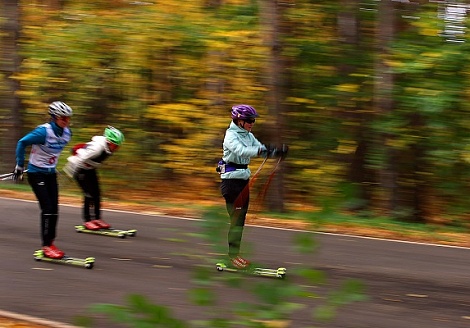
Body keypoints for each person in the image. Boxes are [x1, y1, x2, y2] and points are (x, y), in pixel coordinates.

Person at [218, 104, 286, 269]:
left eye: (253, 120)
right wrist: (262, 151)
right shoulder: (231, 136)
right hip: (231, 182)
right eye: (249, 120)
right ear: (238, 120)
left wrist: (275, 151)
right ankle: (232, 257)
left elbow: (259, 148)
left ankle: (235, 255)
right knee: (236, 220)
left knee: (240, 221)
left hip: (243, 181)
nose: (252, 123)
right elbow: (242, 151)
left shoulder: (248, 135)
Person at [14, 101, 73, 259]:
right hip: (36, 174)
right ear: (54, 117)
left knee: (54, 209)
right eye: (63, 118)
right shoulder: (43, 132)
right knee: (47, 207)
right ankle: (46, 246)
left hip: (50, 174)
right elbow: (22, 143)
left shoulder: (68, 133)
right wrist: (20, 165)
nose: (66, 121)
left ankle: (51, 243)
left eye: (68, 118)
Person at [64, 126, 124, 230]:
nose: (117, 148)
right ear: (109, 142)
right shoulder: (97, 148)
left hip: (90, 169)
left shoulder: (108, 148)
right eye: (115, 145)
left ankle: (97, 218)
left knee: (97, 193)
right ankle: (87, 221)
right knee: (88, 194)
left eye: (118, 146)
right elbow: (79, 157)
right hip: (79, 169)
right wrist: (70, 173)